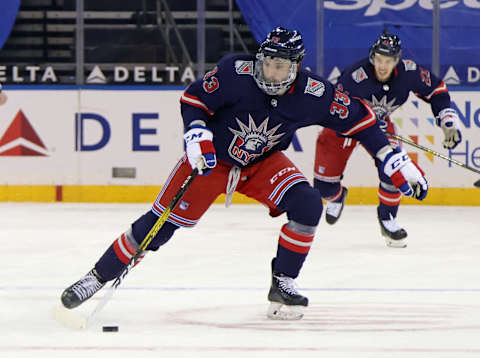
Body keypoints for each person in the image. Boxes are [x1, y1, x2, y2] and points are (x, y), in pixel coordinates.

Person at [60, 27, 428, 320]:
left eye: (280, 66)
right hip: (211, 161)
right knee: (160, 225)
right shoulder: (235, 72)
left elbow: (363, 121)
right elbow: (193, 99)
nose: (270, 72)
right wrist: (197, 132)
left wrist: (392, 159)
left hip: (261, 164)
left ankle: (283, 281)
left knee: (307, 205)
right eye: (267, 63)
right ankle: (95, 277)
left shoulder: (315, 93)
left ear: (297, 67)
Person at [313, 30, 461, 248]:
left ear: (397, 60)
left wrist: (446, 120)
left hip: (380, 127)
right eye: (379, 60)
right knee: (323, 188)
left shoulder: (409, 72)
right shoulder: (355, 77)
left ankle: (388, 219)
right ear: (373, 57)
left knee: (393, 168)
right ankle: (336, 196)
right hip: (343, 128)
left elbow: (436, 90)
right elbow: (336, 109)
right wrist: (366, 123)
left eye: (388, 61)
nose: (382, 66)